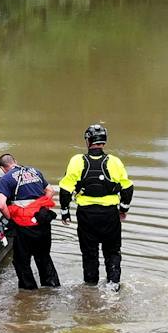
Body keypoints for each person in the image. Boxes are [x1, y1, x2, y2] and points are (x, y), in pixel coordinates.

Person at [58, 123, 134, 288]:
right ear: (104, 141)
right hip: (110, 215)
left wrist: (65, 213)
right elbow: (127, 188)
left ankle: (90, 287)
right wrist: (123, 210)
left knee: (89, 253)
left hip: (86, 215)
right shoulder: (114, 162)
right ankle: (113, 285)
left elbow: (65, 190)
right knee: (113, 252)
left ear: (87, 140)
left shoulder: (76, 161)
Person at [0, 152, 60, 291]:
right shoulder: (35, 171)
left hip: (24, 226)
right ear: (15, 161)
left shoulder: (6, 179)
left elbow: (1, 204)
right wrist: (39, 207)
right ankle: (52, 286)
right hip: (42, 222)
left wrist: (10, 218)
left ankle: (28, 291)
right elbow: (50, 191)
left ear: (2, 168)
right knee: (43, 256)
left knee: (21, 260)